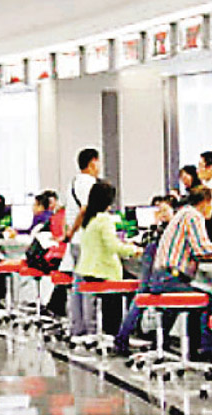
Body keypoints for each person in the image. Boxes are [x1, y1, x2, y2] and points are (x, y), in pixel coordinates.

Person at [137, 186, 212, 359]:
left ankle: (161, 344)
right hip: (170, 277)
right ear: (206, 202)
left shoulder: (182, 214)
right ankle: (203, 349)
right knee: (206, 298)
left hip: (161, 277)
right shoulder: (193, 216)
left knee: (190, 299)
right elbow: (201, 248)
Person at [73, 181, 141, 337]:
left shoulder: (89, 219)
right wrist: (134, 250)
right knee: (135, 286)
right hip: (103, 272)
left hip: (88, 271)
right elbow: (113, 246)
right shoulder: (104, 219)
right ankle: (118, 334)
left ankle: (110, 333)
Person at [114, 198, 175, 355]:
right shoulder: (169, 228)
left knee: (142, 297)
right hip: (157, 257)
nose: (161, 214)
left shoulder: (161, 229)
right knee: (143, 297)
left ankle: (154, 339)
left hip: (152, 255)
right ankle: (126, 337)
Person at [63, 148, 102, 337]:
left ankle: (77, 328)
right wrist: (73, 230)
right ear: (93, 162)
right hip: (85, 240)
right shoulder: (90, 183)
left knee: (77, 286)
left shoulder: (73, 182)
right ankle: (90, 330)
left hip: (75, 242)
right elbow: (85, 209)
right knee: (87, 287)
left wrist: (70, 232)